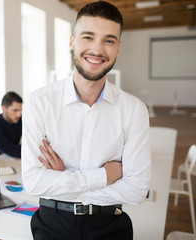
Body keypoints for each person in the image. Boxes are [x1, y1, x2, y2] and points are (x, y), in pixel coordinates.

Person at [21, 1, 151, 239]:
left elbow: (136, 191)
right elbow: (33, 183)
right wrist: (105, 176)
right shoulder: (39, 102)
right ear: (72, 42)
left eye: (108, 40)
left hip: (110, 225)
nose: (97, 49)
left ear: (118, 47)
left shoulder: (134, 110)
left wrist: (63, 180)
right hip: (52, 225)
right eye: (88, 37)